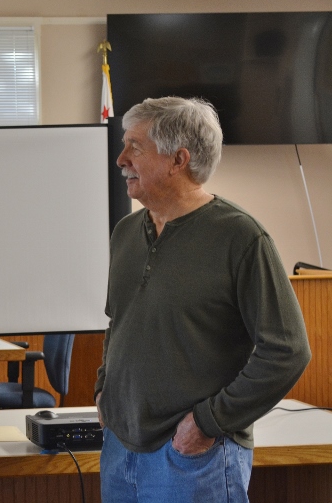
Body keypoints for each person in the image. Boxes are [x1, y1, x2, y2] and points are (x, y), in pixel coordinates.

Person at [94, 97, 311, 502]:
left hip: (193, 457)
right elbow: (118, 323)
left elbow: (288, 350)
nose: (121, 158)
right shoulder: (125, 232)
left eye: (135, 147)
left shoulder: (241, 237)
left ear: (178, 160)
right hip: (120, 451)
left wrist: (208, 423)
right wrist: (105, 392)